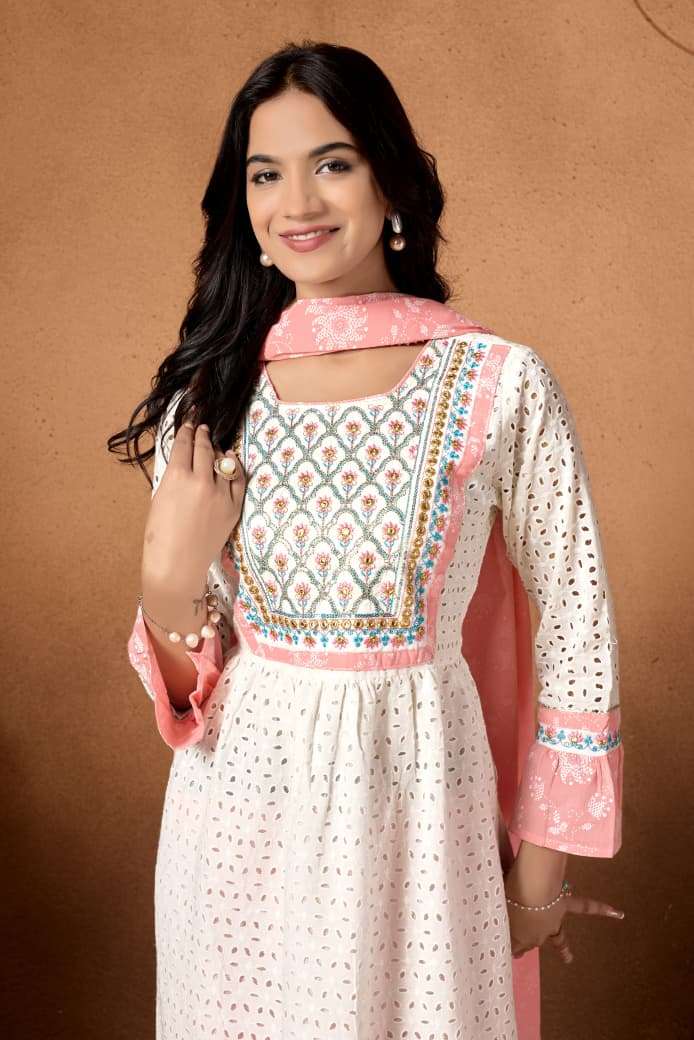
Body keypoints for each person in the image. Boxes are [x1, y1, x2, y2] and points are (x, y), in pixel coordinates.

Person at [108, 40, 625, 1040]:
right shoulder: (210, 394)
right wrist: (166, 585)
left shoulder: (498, 382)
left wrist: (540, 875)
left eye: (332, 163)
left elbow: (577, 629)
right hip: (237, 829)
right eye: (265, 174)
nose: (296, 201)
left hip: (423, 823)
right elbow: (194, 687)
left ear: (389, 179)